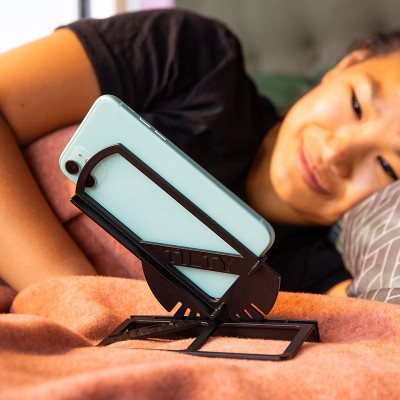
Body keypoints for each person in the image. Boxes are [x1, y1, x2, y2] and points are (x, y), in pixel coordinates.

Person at [1, 9, 399, 294]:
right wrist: (67, 287)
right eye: (356, 105)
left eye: (387, 165)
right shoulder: (195, 57)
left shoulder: (323, 282)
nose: (335, 154)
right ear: (349, 62)